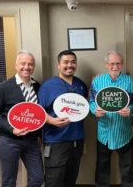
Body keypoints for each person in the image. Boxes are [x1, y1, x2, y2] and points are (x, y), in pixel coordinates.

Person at [0, 50, 44, 187]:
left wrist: (39, 135)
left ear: (34, 67)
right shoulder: (2, 88)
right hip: (9, 141)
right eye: (23, 63)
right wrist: (12, 129)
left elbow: (39, 114)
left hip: (31, 142)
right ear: (16, 65)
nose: (27, 67)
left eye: (30, 64)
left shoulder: (38, 86)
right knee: (9, 181)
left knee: (38, 178)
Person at [38, 50, 88, 187]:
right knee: (54, 180)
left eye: (73, 62)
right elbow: (38, 112)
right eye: (65, 62)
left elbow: (85, 107)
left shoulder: (81, 85)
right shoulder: (48, 86)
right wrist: (51, 120)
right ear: (58, 65)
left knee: (71, 178)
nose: (69, 65)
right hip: (56, 141)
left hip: (77, 140)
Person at [89, 51, 133, 187]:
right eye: (112, 63)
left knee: (127, 168)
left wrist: (130, 110)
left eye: (118, 63)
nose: (115, 66)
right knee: (102, 166)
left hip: (123, 131)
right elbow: (91, 100)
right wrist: (94, 110)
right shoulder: (97, 81)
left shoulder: (130, 81)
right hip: (104, 132)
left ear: (122, 64)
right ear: (106, 65)